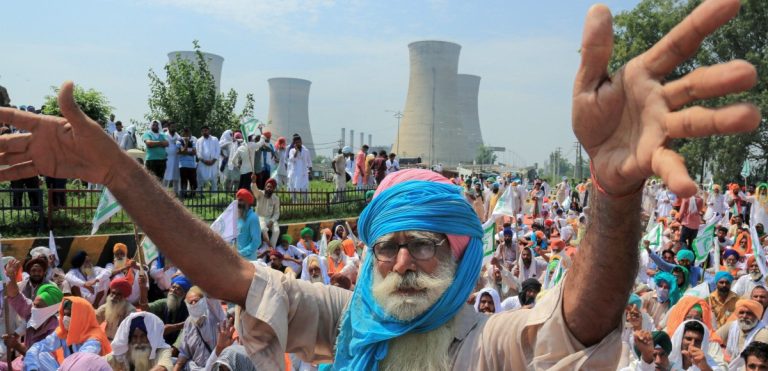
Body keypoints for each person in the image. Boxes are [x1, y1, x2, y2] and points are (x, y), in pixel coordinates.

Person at [0, 1, 759, 368]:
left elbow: (578, 323)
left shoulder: (478, 343)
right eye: (389, 244)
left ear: (461, 256)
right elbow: (225, 271)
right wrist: (119, 172)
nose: (400, 262)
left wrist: (611, 193)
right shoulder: (349, 318)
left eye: (423, 246)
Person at [24, 297, 112, 371]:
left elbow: (80, 363)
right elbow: (38, 346)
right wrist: (32, 368)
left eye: (70, 315)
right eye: (64, 314)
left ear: (82, 316)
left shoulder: (94, 340)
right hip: (67, 368)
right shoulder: (64, 332)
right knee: (40, 354)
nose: (65, 318)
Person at [3, 278, 63, 369]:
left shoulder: (56, 330)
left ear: (50, 309)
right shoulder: (32, 314)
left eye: (38, 306)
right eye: (34, 304)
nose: (34, 309)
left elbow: (43, 359)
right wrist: (11, 276)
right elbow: (15, 296)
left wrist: (17, 345)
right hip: (23, 361)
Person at [175, 286, 226, 370]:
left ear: (204, 300)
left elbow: (210, 295)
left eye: (196, 300)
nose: (194, 304)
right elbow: (184, 353)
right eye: (190, 302)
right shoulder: (188, 323)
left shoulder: (216, 316)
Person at [106, 311, 173, 371]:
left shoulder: (162, 350)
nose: (139, 341)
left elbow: (163, 367)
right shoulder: (124, 351)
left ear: (151, 337)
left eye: (143, 336)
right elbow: (102, 362)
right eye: (135, 337)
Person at [715, 300, 768, 368]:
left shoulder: (763, 333)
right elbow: (712, 341)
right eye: (741, 312)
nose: (744, 316)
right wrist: (721, 355)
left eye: (749, 313)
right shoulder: (732, 326)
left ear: (757, 316)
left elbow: (757, 359)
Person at [144, 275, 191, 347]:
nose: (174, 290)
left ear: (184, 294)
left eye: (178, 289)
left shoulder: (187, 310)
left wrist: (174, 349)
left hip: (177, 348)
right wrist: (142, 288)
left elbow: (184, 333)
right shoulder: (163, 302)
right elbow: (146, 309)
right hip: (159, 342)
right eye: (173, 287)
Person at [252, 177, 279, 248]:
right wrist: (253, 182)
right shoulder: (260, 194)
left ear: (273, 189)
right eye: (268, 186)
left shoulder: (276, 199)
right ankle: (267, 248)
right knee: (263, 229)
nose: (269, 188)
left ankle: (272, 250)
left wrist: (272, 221)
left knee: (276, 231)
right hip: (259, 217)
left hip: (270, 219)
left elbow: (277, 213)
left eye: (271, 187)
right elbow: (254, 189)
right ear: (265, 187)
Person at [195, 125, 220, 192]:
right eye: (202, 131)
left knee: (214, 179)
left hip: (213, 163)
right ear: (201, 132)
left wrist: (213, 161)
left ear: (209, 131)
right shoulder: (199, 140)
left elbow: (218, 151)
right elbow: (198, 152)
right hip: (203, 163)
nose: (204, 132)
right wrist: (204, 161)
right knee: (200, 179)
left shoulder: (215, 139)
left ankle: (214, 195)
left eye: (206, 130)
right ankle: (200, 194)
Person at [178, 127, 198, 198]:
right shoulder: (179, 141)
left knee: (193, 182)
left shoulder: (193, 142)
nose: (187, 134)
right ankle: (184, 196)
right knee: (184, 182)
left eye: (188, 132)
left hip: (192, 166)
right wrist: (186, 143)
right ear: (183, 133)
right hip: (182, 165)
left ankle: (192, 196)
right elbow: (181, 152)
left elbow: (194, 152)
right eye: (185, 132)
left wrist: (185, 151)